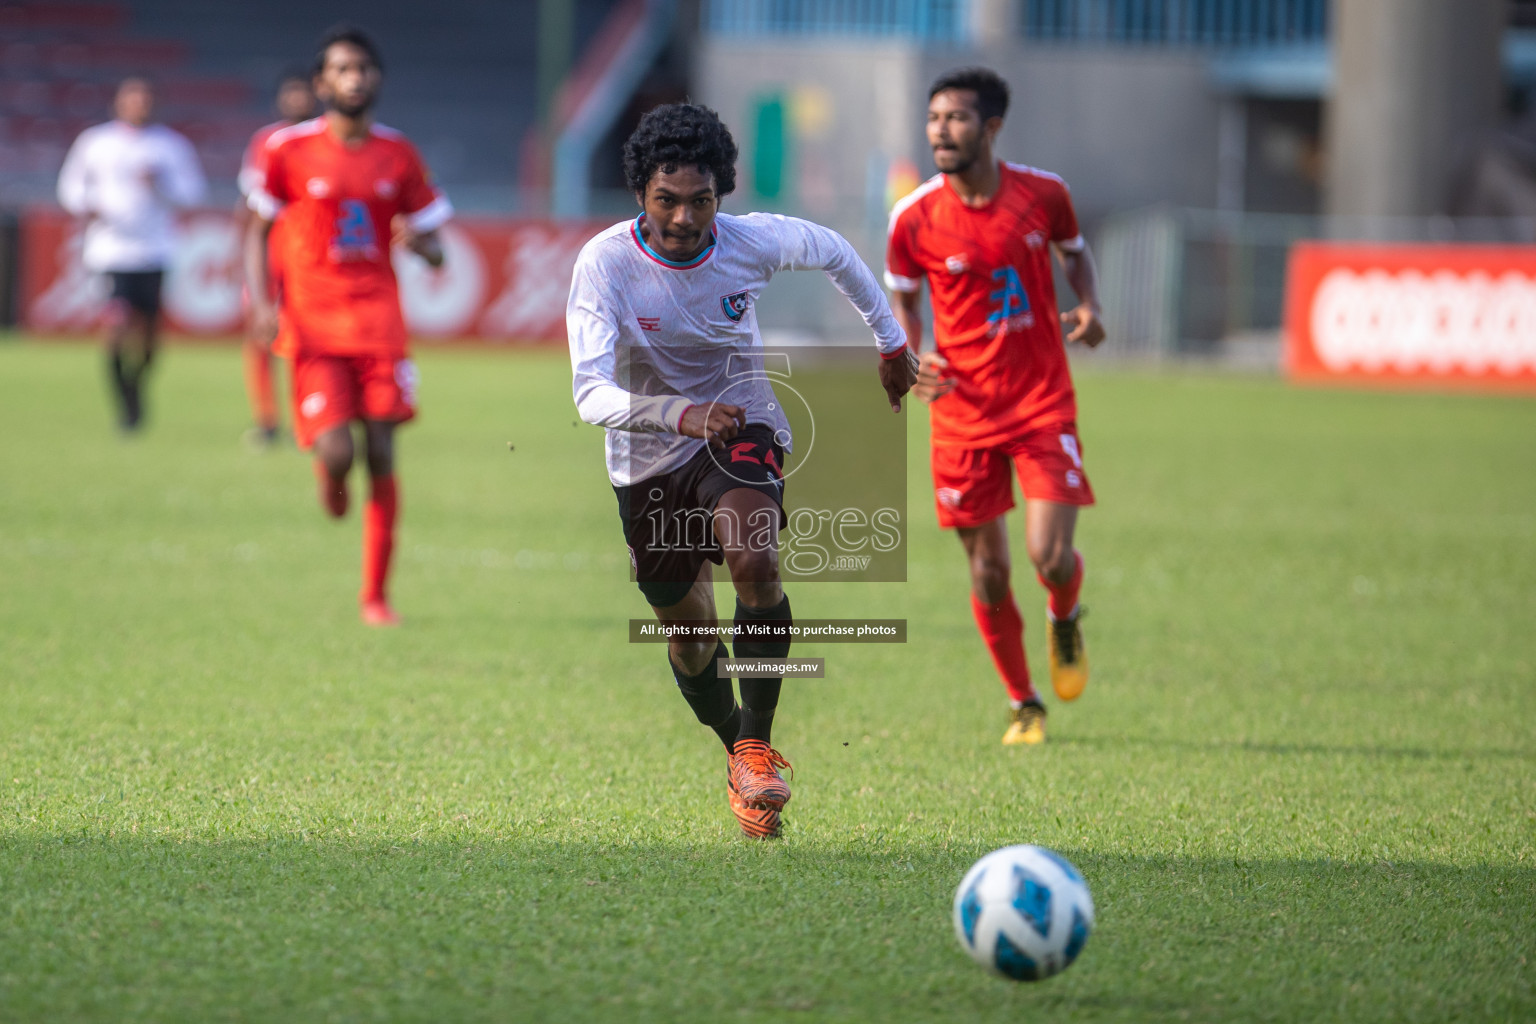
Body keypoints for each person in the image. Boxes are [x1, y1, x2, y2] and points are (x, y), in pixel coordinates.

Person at [567, 103, 917, 838]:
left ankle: (756, 743)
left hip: (743, 424)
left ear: (721, 194)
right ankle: (739, 755)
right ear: (640, 193)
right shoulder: (605, 263)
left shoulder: (751, 243)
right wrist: (681, 415)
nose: (685, 217)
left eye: (701, 200)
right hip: (648, 452)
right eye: (667, 200)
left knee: (755, 558)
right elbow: (590, 392)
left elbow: (835, 252)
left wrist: (890, 344)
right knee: (689, 634)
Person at [885, 68, 1106, 747]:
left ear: (991, 127)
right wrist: (913, 356)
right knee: (988, 568)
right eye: (933, 119)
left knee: (1047, 554)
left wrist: (1090, 304)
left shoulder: (1044, 194)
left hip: (1041, 401)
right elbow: (902, 295)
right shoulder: (914, 217)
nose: (940, 132)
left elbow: (1076, 252)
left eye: (954, 119)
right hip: (960, 411)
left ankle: (1063, 614)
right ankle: (1024, 702)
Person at [244, 25, 451, 627]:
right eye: (342, 69)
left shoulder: (399, 154)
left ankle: (375, 596)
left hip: (380, 325)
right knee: (338, 454)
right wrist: (262, 301)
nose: (354, 78)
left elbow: (438, 249)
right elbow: (256, 230)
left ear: (376, 79)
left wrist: (423, 246)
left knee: (382, 451)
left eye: (363, 68)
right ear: (321, 83)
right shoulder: (288, 150)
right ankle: (329, 478)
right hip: (313, 324)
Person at [57, 76, 206, 432]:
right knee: (117, 322)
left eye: (145, 98)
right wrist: (88, 206)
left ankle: (137, 385)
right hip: (111, 250)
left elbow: (193, 193)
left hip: (155, 250)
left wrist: (161, 185)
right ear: (119, 103)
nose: (139, 105)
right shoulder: (95, 142)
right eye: (132, 98)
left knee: (150, 334)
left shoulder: (171, 146)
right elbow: (71, 187)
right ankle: (124, 402)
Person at [236, 70, 318, 449]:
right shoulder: (266, 141)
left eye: (303, 92)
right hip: (272, 246)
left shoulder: (327, 139)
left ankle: (312, 417)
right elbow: (251, 201)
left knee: (310, 338)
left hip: (312, 249)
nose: (298, 100)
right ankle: (267, 419)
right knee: (261, 332)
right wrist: (236, 248)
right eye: (291, 93)